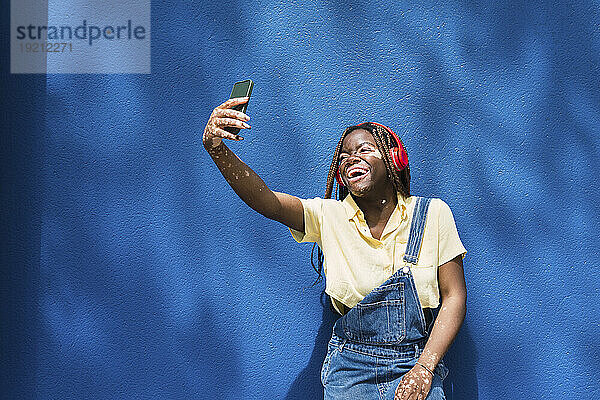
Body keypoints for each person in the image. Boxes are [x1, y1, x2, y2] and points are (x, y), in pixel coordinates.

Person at [203, 96, 467, 400]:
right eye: (343, 157)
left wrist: (425, 367)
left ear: (395, 160)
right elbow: (268, 202)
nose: (350, 158)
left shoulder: (433, 214)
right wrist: (216, 149)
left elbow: (454, 297)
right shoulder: (328, 216)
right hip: (350, 373)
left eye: (364, 150)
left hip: (416, 366)